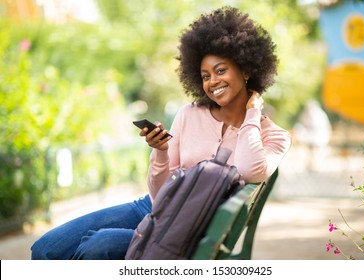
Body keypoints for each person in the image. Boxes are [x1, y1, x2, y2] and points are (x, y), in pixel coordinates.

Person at [31, 6, 291, 260]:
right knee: (46, 248)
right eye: (205, 76)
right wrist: (161, 152)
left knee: (97, 246)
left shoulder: (275, 136)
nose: (212, 82)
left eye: (221, 70)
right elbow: (159, 192)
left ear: (246, 70)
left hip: (186, 230)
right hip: (154, 206)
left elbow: (249, 169)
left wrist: (252, 113)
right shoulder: (189, 114)